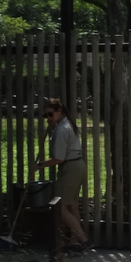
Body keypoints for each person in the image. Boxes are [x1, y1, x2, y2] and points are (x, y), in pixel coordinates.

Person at [34, 98, 91, 252]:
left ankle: (82, 238)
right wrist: (52, 127)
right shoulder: (65, 124)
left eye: (51, 114)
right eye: (46, 116)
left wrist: (40, 165)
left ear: (59, 111)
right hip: (77, 165)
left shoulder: (62, 129)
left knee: (59, 206)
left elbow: (58, 158)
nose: (49, 118)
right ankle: (74, 241)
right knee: (71, 204)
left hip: (70, 167)